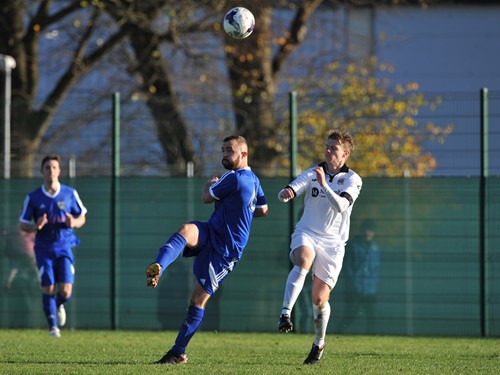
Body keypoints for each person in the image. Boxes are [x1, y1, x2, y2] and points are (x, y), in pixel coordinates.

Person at [146, 135, 268, 365]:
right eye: (222, 150)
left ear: (243, 154)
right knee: (187, 230)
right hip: (212, 232)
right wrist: (240, 209)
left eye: (229, 150)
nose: (224, 155)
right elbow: (263, 209)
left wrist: (209, 186)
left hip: (225, 251)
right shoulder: (254, 180)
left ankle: (178, 352)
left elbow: (205, 197)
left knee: (197, 301)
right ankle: (159, 266)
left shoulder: (234, 178)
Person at [277, 130, 362, 365]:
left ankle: (319, 342)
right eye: (326, 146)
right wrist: (287, 193)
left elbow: (342, 206)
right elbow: (295, 186)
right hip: (307, 232)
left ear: (345, 153)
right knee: (304, 258)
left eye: (333, 148)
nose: (327, 151)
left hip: (333, 243)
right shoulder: (314, 172)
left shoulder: (353, 179)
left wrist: (325, 185)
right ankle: (285, 313)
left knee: (319, 298)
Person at [19, 155, 87, 337]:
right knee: (48, 288)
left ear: (59, 171)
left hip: (64, 247)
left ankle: (58, 304)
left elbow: (82, 218)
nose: (51, 170)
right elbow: (22, 224)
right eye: (47, 167)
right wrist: (36, 226)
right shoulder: (33, 197)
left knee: (65, 290)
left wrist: (73, 222)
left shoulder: (70, 194)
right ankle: (53, 328)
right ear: (42, 171)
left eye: (54, 167)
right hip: (43, 248)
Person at [342, 219, 380, 334]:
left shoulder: (375, 248)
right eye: (367, 230)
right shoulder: (353, 245)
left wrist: (373, 284)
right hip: (355, 288)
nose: (368, 233)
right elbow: (347, 266)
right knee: (350, 315)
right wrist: (353, 283)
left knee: (372, 316)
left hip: (370, 289)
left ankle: (371, 336)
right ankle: (339, 334)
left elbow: (376, 269)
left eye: (371, 230)